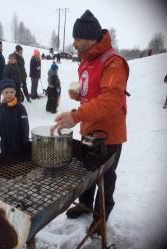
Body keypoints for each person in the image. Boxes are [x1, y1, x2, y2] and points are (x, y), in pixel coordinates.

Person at [51, 10, 129, 233]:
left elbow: (111, 99)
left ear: (89, 37)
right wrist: (80, 96)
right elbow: (93, 93)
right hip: (89, 128)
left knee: (106, 176)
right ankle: (85, 204)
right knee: (88, 170)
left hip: (109, 133)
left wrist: (76, 115)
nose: (73, 43)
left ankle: (100, 217)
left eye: (76, 38)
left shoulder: (113, 62)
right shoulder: (86, 61)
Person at [0, 79, 29, 154]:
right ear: (2, 93)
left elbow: (25, 127)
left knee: (17, 163)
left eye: (11, 92)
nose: (9, 94)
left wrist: (26, 144)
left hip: (18, 144)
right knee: (6, 163)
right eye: (6, 92)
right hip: (5, 144)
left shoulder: (20, 108)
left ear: (15, 92)